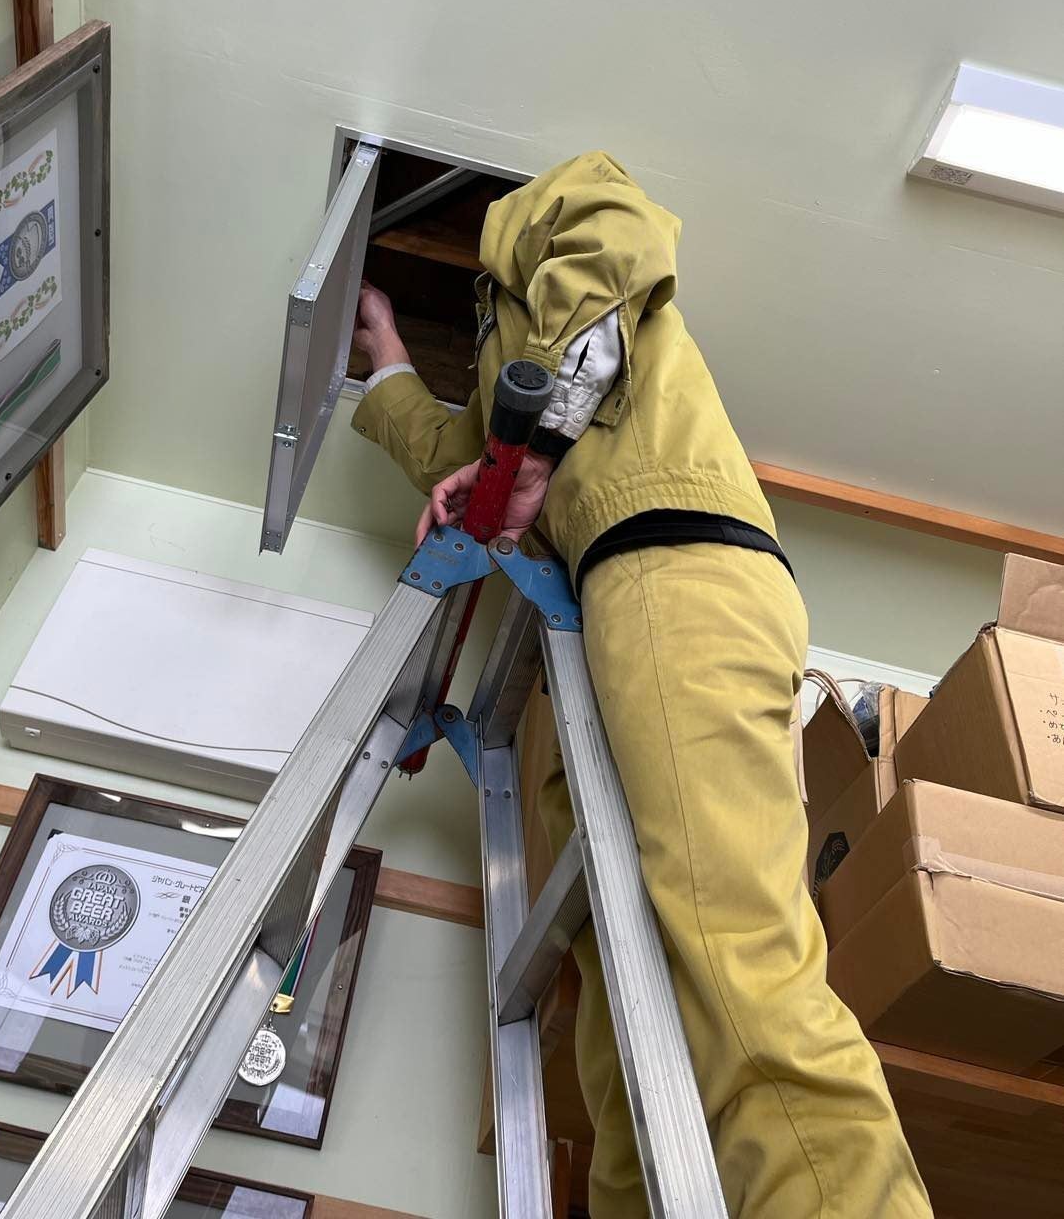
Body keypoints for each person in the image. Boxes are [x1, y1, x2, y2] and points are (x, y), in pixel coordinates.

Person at [351, 150, 932, 1219]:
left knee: (740, 976)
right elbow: (466, 452)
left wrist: (539, 440)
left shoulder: (551, 222)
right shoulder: (507, 359)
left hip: (675, 564)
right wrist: (388, 354)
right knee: (623, 1009)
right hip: (612, 606)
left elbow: (621, 232)